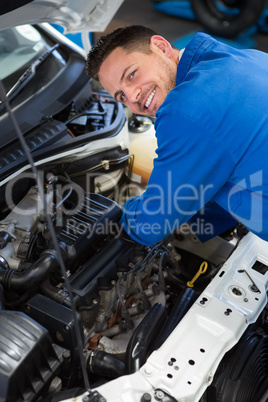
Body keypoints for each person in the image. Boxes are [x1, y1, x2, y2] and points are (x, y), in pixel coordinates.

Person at [86, 25, 268, 246]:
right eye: (121, 96)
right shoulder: (246, 59)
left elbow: (149, 226)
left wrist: (112, 218)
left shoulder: (185, 111)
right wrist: (195, 223)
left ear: (161, 47)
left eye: (132, 74)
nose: (132, 97)